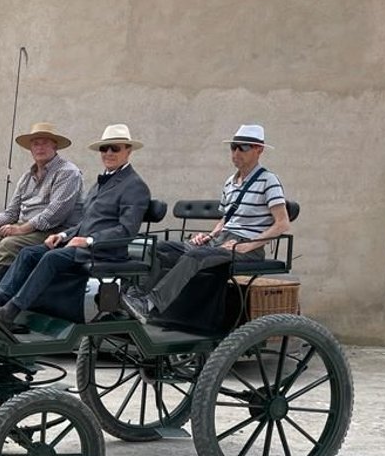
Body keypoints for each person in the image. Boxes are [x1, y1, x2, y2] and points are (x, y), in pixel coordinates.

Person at [119, 123, 290, 324]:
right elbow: (226, 219)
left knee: (194, 256)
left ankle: (149, 304)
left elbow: (282, 224)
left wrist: (246, 245)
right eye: (233, 147)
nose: (236, 152)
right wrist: (209, 236)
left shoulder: (269, 181)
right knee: (157, 247)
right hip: (221, 243)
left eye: (243, 147)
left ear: (259, 150)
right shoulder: (230, 182)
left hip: (248, 247)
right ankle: (135, 298)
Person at [0, 124, 152, 325]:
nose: (108, 153)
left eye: (115, 148)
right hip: (81, 245)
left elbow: (127, 230)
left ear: (128, 150)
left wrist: (89, 241)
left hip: (105, 251)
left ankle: (11, 311)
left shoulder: (135, 186)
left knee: (51, 258)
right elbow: (86, 221)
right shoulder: (102, 182)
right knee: (28, 253)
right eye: (104, 148)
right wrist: (64, 236)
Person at [0, 122, 83, 296]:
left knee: (8, 244)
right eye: (35, 143)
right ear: (30, 148)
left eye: (44, 143)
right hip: (27, 229)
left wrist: (19, 229)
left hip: (56, 231)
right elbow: (11, 213)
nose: (39, 147)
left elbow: (54, 215)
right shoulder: (27, 177)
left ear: (55, 145)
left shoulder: (68, 172)